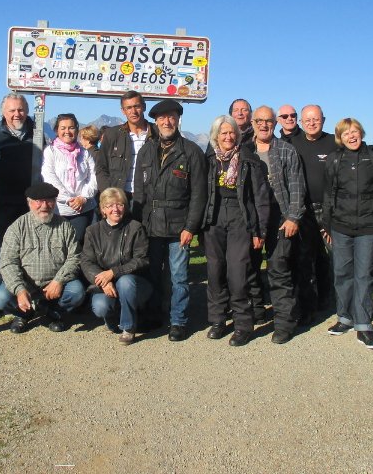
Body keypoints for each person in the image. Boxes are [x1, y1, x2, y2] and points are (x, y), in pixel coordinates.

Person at [133, 98, 207, 342]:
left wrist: (190, 227)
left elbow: (199, 194)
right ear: (155, 121)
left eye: (171, 116)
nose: (167, 121)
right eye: (162, 117)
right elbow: (139, 190)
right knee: (152, 273)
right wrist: (138, 224)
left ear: (178, 119)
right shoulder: (146, 151)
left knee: (179, 277)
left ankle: (178, 321)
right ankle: (155, 315)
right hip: (150, 225)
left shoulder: (191, 151)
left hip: (179, 226)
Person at [203, 115, 270, 346]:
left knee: (238, 273)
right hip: (214, 217)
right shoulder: (209, 159)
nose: (228, 137)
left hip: (240, 217)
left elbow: (260, 197)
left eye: (231, 132)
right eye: (223, 133)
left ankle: (243, 324)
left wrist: (259, 230)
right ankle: (218, 320)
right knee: (214, 271)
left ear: (237, 135)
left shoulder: (249, 160)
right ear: (216, 136)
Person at [321, 118, 373, 350]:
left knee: (364, 275)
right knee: (341, 272)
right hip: (340, 225)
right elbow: (328, 193)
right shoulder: (334, 159)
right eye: (346, 133)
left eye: (355, 131)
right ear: (340, 137)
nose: (352, 136)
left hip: (368, 224)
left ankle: (364, 325)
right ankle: (344, 318)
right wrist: (326, 225)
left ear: (362, 132)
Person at [0, 182, 86, 334]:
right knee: (1, 298)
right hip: (26, 285)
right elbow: (7, 262)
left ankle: (54, 312)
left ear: (55, 202)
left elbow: (74, 257)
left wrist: (59, 281)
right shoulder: (17, 228)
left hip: (55, 285)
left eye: (49, 200)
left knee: (77, 292)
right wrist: (19, 289)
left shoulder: (65, 226)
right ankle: (23, 314)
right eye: (39, 201)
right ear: (29, 202)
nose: (44, 205)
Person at [0, 93, 42, 318]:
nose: (17, 114)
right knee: (0, 250)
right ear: (3, 112)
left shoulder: (37, 132)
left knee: (29, 249)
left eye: (21, 110)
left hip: (32, 203)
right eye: (12, 110)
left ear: (27, 110)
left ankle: (26, 294)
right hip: (5, 203)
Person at [252, 106, 306, 344]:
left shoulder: (286, 150)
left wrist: (293, 217)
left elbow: (296, 185)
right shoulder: (244, 150)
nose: (264, 125)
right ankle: (253, 314)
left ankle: (284, 323)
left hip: (281, 217)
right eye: (260, 121)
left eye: (268, 121)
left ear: (274, 124)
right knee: (248, 269)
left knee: (279, 270)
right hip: (252, 219)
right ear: (253, 123)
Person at [282, 104, 339, 319]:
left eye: (316, 119)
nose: (312, 123)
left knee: (332, 257)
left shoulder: (335, 142)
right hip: (302, 210)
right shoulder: (292, 143)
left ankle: (329, 298)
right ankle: (307, 306)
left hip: (329, 209)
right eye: (307, 120)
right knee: (304, 259)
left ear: (323, 120)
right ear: (301, 123)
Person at [81, 187, 152, 345]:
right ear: (102, 209)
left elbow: (142, 259)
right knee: (100, 306)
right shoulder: (92, 231)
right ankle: (112, 318)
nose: (115, 209)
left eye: (119, 204)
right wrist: (104, 281)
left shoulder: (135, 228)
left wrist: (113, 273)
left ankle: (128, 327)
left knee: (125, 282)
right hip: (106, 285)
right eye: (109, 206)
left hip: (135, 284)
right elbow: (86, 262)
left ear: (125, 207)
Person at [42, 113, 97, 248]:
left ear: (77, 130)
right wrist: (68, 199)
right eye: (63, 128)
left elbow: (93, 177)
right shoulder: (51, 152)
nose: (67, 131)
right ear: (56, 130)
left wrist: (83, 198)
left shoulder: (84, 153)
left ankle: (77, 270)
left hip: (83, 209)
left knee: (78, 244)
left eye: (71, 128)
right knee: (57, 245)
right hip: (58, 209)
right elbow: (49, 177)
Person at [95, 91, 156, 203]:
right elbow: (101, 167)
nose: (133, 111)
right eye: (128, 108)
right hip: (119, 199)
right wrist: (108, 193)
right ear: (123, 111)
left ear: (144, 107)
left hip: (148, 198)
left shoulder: (157, 134)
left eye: (136, 106)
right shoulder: (112, 134)